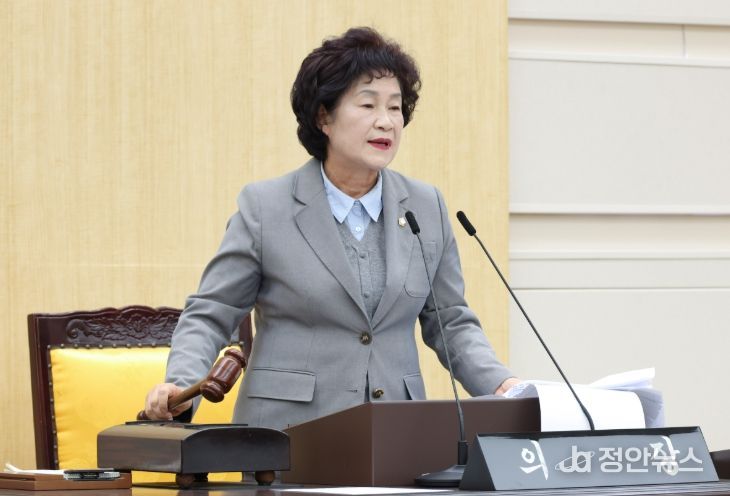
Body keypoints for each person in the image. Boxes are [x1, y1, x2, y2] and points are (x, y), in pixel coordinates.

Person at [144, 27, 518, 430]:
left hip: (394, 435)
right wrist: (180, 385)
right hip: (287, 435)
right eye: (368, 104)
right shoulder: (266, 208)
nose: (386, 122)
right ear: (324, 116)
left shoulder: (426, 207)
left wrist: (503, 386)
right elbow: (211, 313)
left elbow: (451, 321)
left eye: (395, 107)